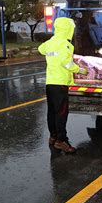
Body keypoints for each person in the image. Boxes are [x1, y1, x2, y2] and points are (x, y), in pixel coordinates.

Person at [38, 17, 88, 153]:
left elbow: (40, 49)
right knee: (61, 113)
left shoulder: (50, 42)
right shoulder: (65, 45)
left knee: (52, 111)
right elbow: (67, 64)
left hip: (50, 82)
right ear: (67, 29)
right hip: (60, 83)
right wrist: (81, 70)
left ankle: (53, 137)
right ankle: (61, 141)